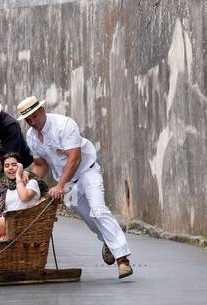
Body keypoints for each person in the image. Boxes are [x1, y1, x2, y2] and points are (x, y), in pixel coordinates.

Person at [16, 95, 133, 279]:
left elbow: (75, 158)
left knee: (98, 211)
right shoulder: (31, 137)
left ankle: (123, 259)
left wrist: (60, 186)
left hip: (87, 172)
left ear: (42, 111)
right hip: (69, 185)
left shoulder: (64, 125)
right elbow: (41, 164)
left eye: (33, 116)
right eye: (27, 119)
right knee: (90, 220)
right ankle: (109, 241)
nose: (31, 121)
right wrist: (26, 179)